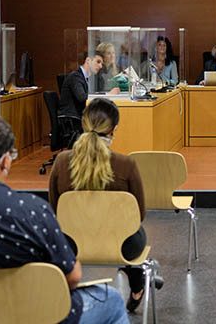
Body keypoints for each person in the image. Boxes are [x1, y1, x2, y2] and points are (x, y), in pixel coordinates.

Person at [0, 115, 128, 324]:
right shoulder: (32, 210)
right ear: (4, 161)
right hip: (38, 316)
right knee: (112, 300)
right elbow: (72, 277)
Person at [49, 98, 156, 314]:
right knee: (130, 232)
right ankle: (137, 284)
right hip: (122, 247)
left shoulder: (61, 162)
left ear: (83, 124)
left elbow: (55, 210)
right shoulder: (126, 165)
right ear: (114, 130)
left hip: (73, 245)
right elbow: (139, 215)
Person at [59, 51, 120, 119]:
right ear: (88, 60)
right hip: (72, 119)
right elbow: (82, 98)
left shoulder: (89, 78)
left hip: (83, 116)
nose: (100, 66)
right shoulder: (75, 76)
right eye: (98, 62)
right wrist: (108, 94)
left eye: (101, 64)